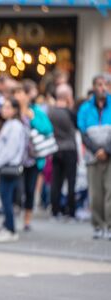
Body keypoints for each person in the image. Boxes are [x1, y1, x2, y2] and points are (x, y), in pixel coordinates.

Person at [13, 80, 53, 231]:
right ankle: (14, 213)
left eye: (20, 93)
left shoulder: (36, 111)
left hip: (33, 157)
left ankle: (27, 219)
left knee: (30, 189)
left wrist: (32, 118)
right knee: (16, 189)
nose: (17, 96)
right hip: (15, 157)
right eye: (15, 93)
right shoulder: (11, 110)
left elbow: (47, 129)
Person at [77, 75, 111, 239]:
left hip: (110, 156)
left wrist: (106, 150)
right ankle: (98, 225)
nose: (102, 88)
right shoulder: (85, 108)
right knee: (96, 194)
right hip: (92, 157)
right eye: (99, 84)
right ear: (94, 87)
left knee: (110, 192)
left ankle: (110, 226)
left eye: (105, 85)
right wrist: (96, 150)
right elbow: (82, 132)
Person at [0, 99, 25, 242]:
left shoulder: (15, 126)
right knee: (5, 198)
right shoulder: (9, 124)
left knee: (6, 199)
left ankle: (11, 229)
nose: (4, 110)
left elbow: (10, 150)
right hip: (4, 165)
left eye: (8, 107)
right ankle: (7, 226)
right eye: (4, 107)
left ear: (15, 110)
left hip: (9, 166)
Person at [47, 84, 78, 219]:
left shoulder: (50, 111)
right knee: (71, 181)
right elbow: (77, 127)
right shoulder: (70, 112)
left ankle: (55, 209)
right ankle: (70, 211)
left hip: (56, 148)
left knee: (56, 181)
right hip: (69, 148)